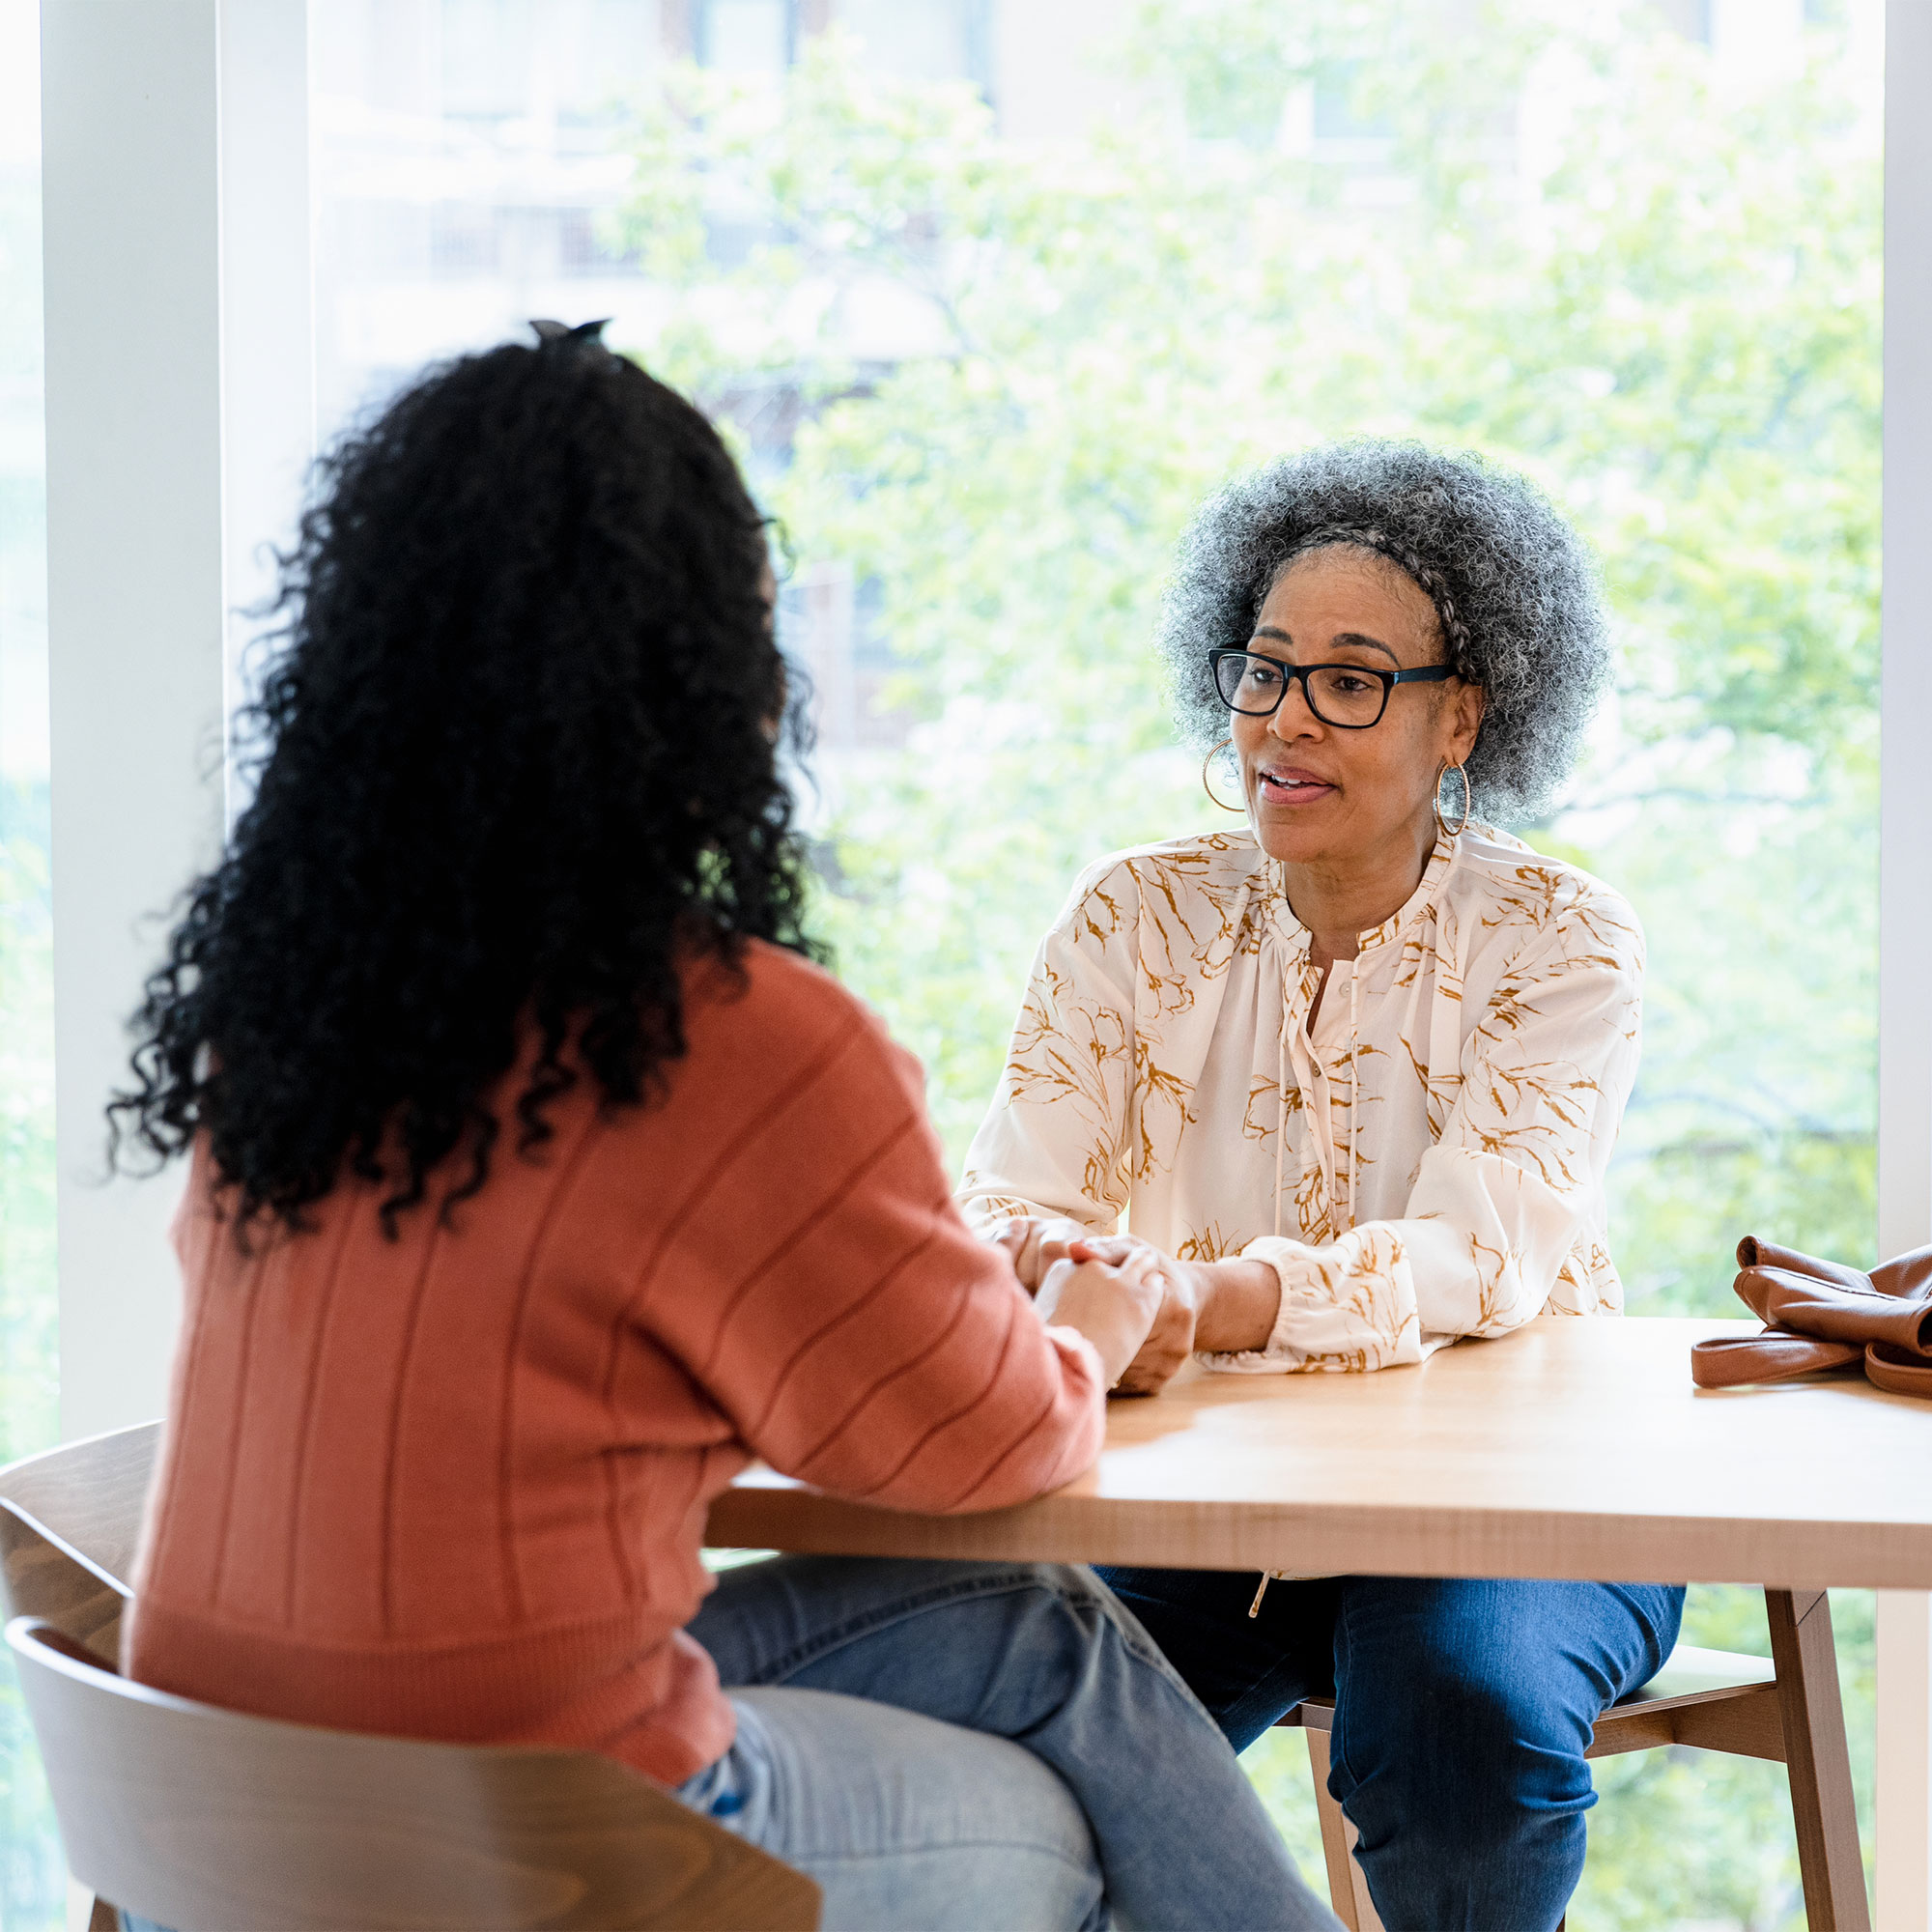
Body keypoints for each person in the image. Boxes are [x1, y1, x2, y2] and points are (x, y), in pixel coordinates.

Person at [110, 325, 1333, 1932]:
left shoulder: (294, 1006)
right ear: (706, 674)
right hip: (529, 1819)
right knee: (1060, 1817)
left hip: (217, 1800)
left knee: (1036, 1628)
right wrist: (1087, 1328)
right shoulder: (724, 1032)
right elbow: (978, 1441)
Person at [962, 440, 1684, 1932]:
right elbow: (1007, 1209)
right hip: (1205, 1508)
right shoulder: (1133, 913)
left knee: (1460, 1722)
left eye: (1350, 680)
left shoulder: (1563, 940)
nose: (1285, 719)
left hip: (1519, 1505)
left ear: (1462, 716)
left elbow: (1478, 1262)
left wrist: (1206, 1302)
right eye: (1264, 670)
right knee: (999, 1736)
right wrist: (1059, 1272)